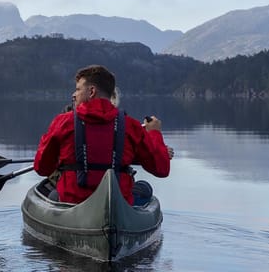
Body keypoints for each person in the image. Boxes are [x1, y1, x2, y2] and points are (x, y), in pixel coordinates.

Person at [34, 65, 171, 205]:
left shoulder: (63, 122)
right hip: (117, 203)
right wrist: (154, 132)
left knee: (50, 193)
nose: (74, 94)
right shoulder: (132, 126)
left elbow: (41, 168)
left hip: (73, 203)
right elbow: (162, 168)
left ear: (91, 91)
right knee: (144, 188)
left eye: (78, 89)